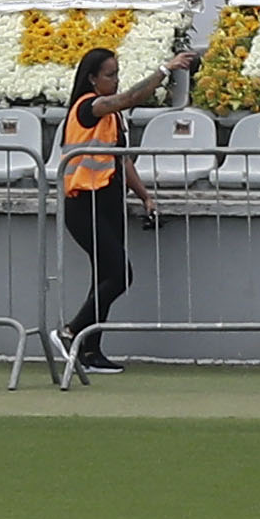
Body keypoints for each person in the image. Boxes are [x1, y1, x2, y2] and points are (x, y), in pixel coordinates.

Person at [46, 41, 166, 379]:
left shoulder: (111, 117)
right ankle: (70, 332)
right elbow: (128, 97)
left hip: (108, 202)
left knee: (104, 277)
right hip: (83, 204)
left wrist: (144, 195)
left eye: (116, 74)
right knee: (120, 274)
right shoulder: (89, 107)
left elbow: (121, 158)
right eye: (110, 75)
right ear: (92, 80)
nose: (115, 80)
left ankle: (90, 350)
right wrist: (165, 71)